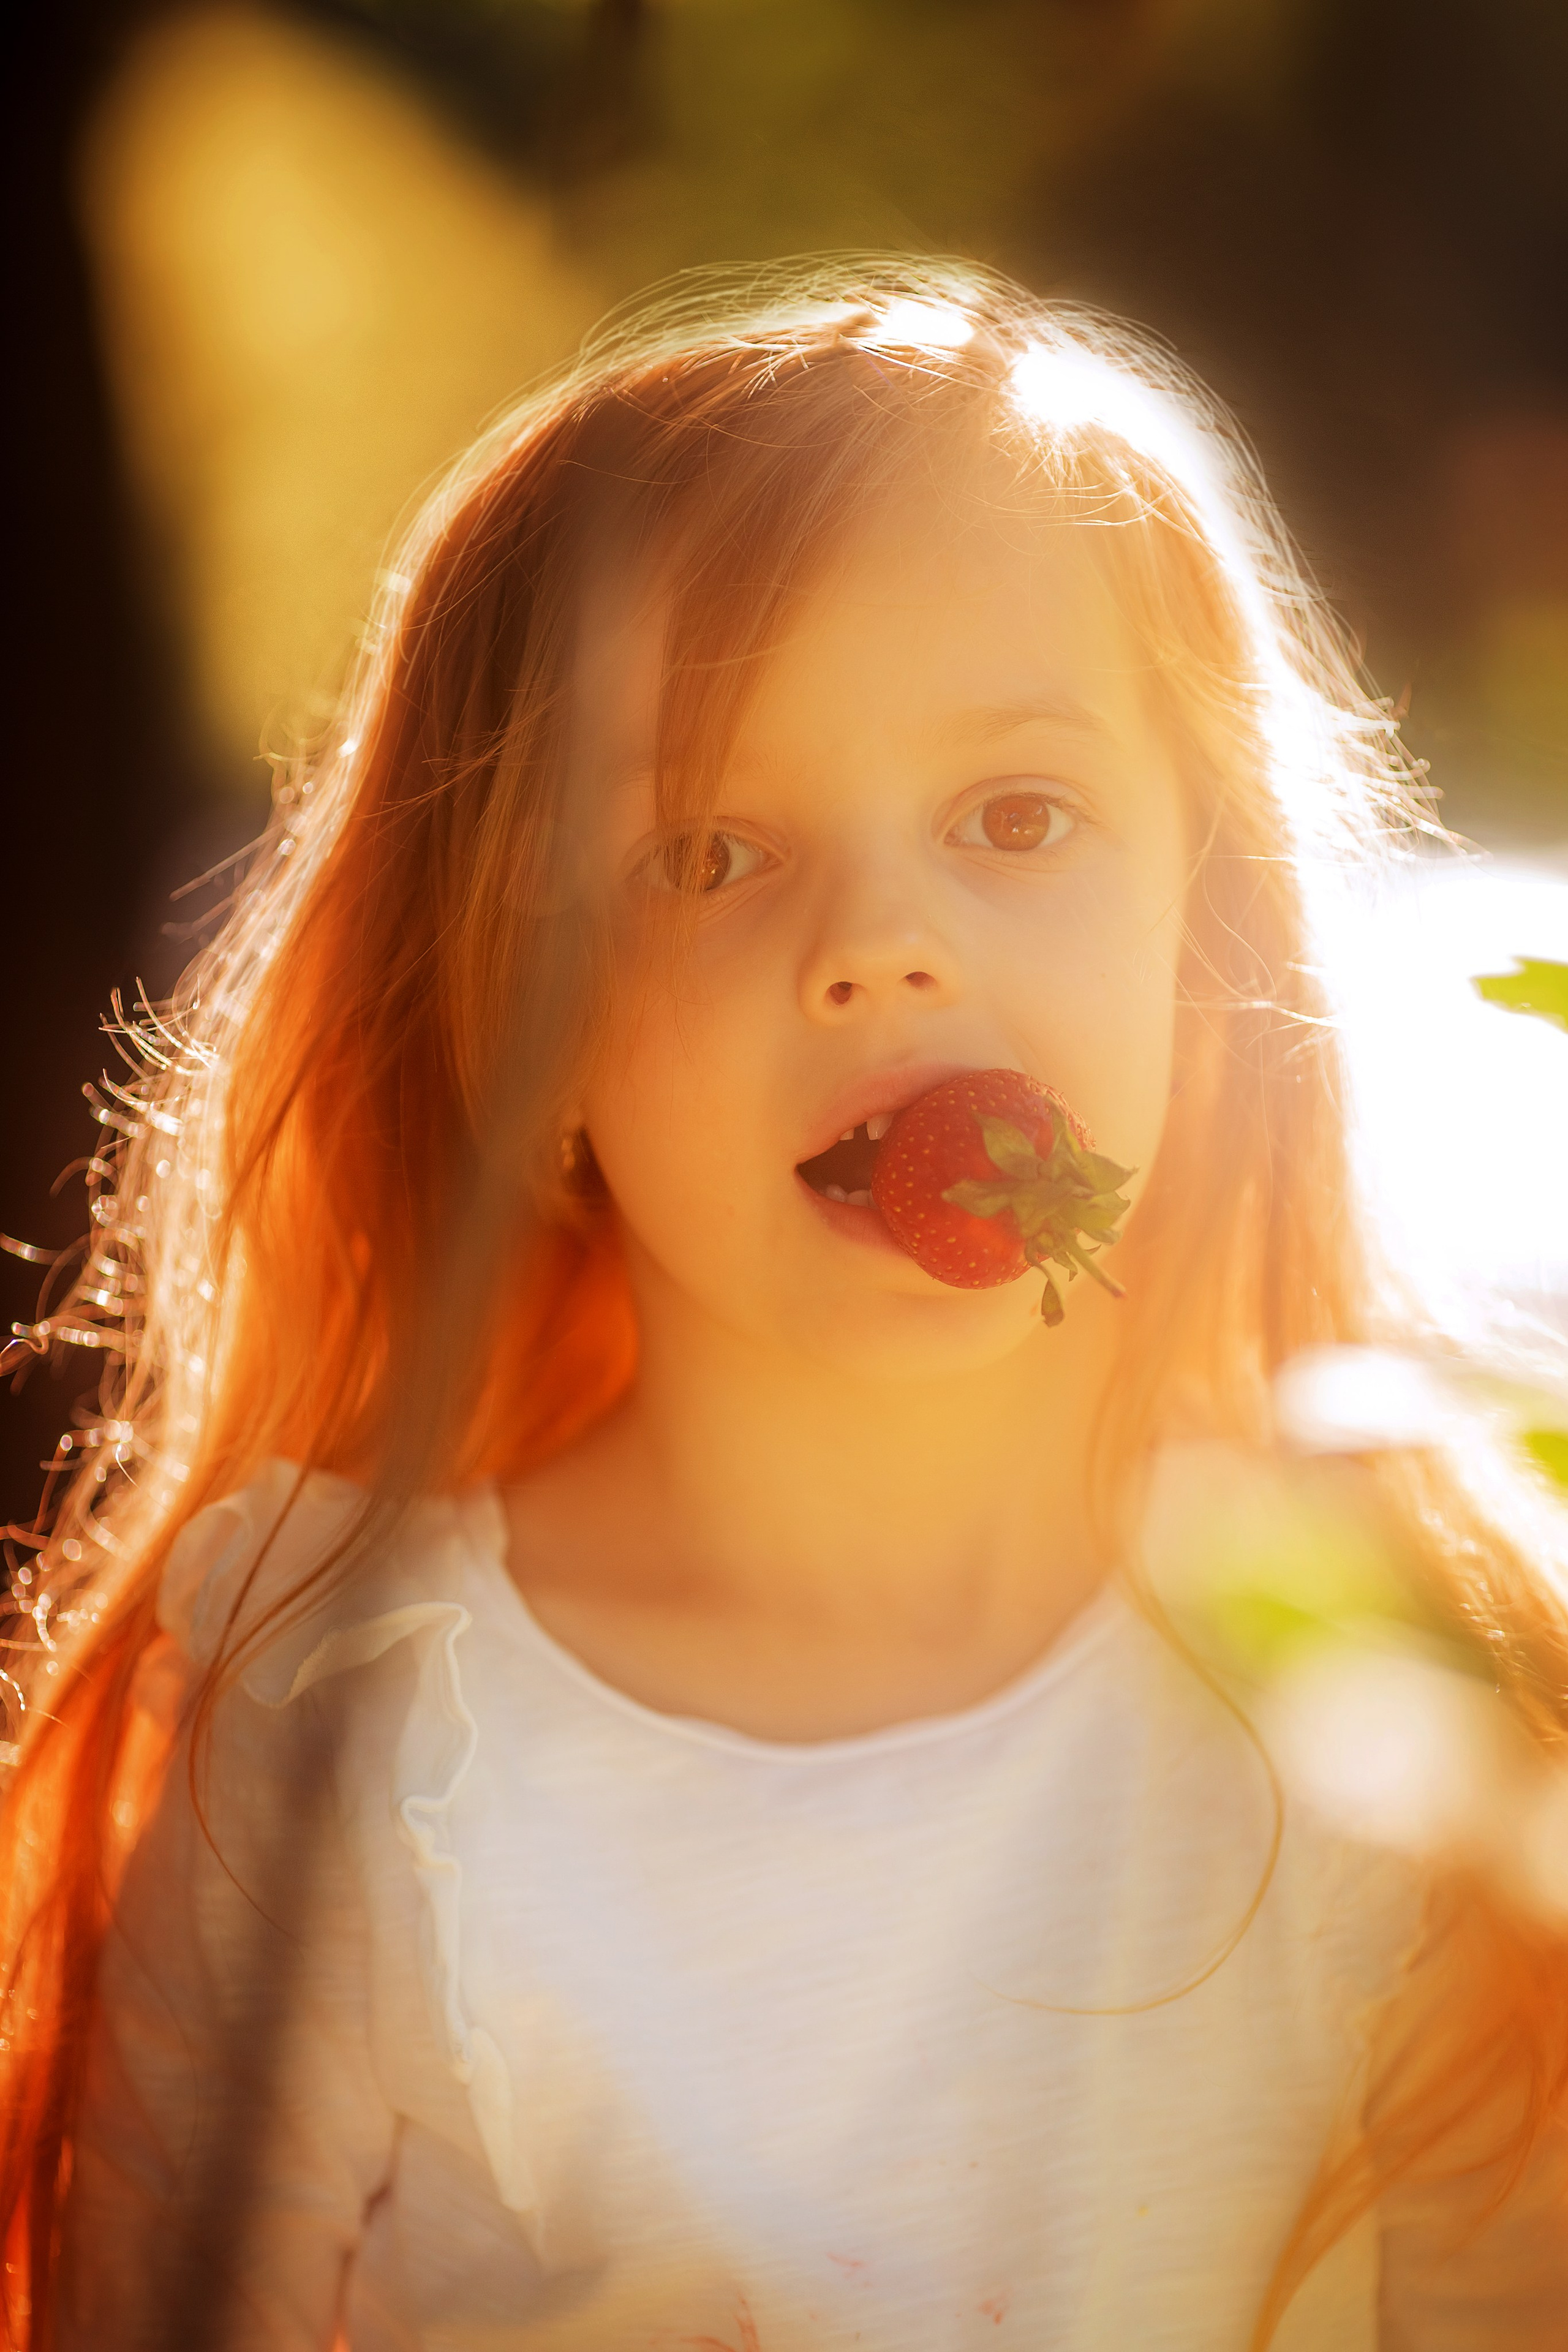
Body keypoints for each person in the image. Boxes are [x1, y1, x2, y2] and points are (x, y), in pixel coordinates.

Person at [1, 260, 1564, 2349]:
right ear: (518, 1027)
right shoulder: (339, 1714)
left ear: (1212, 947)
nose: (889, 942)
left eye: (1019, 817)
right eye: (712, 853)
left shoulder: (1407, 1692)